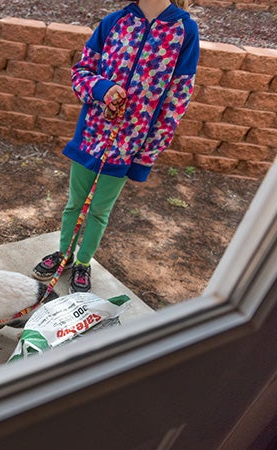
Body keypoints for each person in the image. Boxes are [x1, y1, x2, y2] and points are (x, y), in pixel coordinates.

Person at [32, 0, 199, 292]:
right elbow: (81, 71)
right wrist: (102, 88)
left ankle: (83, 263)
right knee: (75, 203)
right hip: (91, 136)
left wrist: (146, 155)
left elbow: (177, 100)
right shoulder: (113, 22)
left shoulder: (185, 31)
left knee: (99, 211)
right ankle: (65, 254)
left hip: (130, 144)